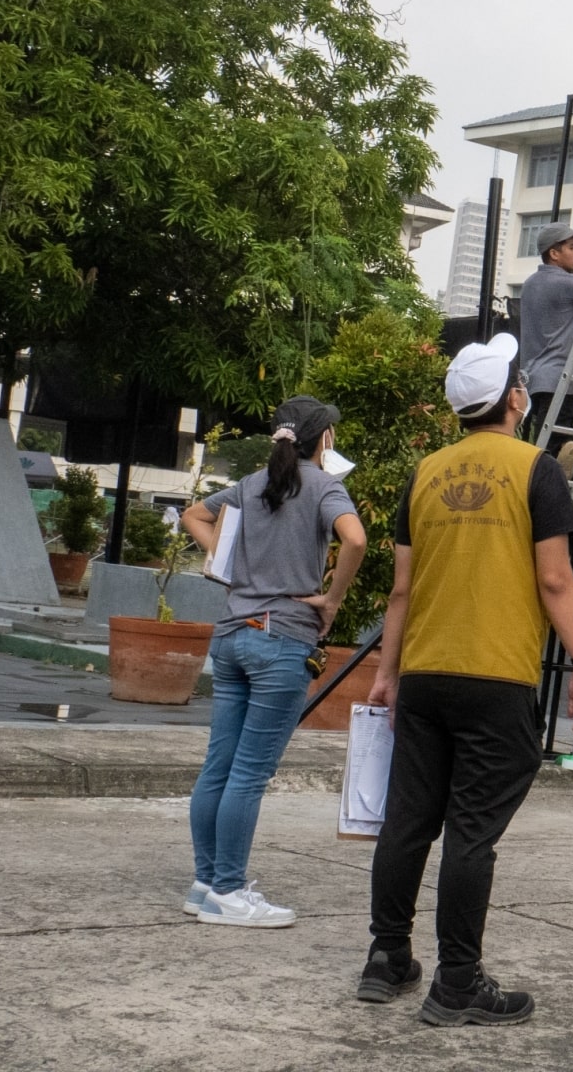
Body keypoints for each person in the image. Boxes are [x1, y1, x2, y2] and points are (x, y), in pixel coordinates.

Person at [358, 332, 573, 1026]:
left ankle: (386, 959)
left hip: (425, 672)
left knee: (407, 822)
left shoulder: (425, 472)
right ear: (515, 398)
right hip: (496, 678)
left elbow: (400, 591)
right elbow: (554, 579)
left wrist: (386, 673)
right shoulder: (537, 470)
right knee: (471, 833)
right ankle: (457, 981)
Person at [178, 395, 366, 927]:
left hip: (233, 633)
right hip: (281, 638)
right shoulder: (326, 486)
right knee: (249, 775)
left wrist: (225, 561)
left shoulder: (251, 484)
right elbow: (355, 539)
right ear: (322, 439)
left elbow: (193, 515)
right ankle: (231, 892)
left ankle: (206, 884)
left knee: (220, 765)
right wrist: (332, 599)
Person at [516, 221, 573, 443]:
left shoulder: (530, 283)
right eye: (571, 247)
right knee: (554, 450)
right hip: (559, 380)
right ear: (554, 253)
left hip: (531, 380)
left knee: (541, 443)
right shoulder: (570, 284)